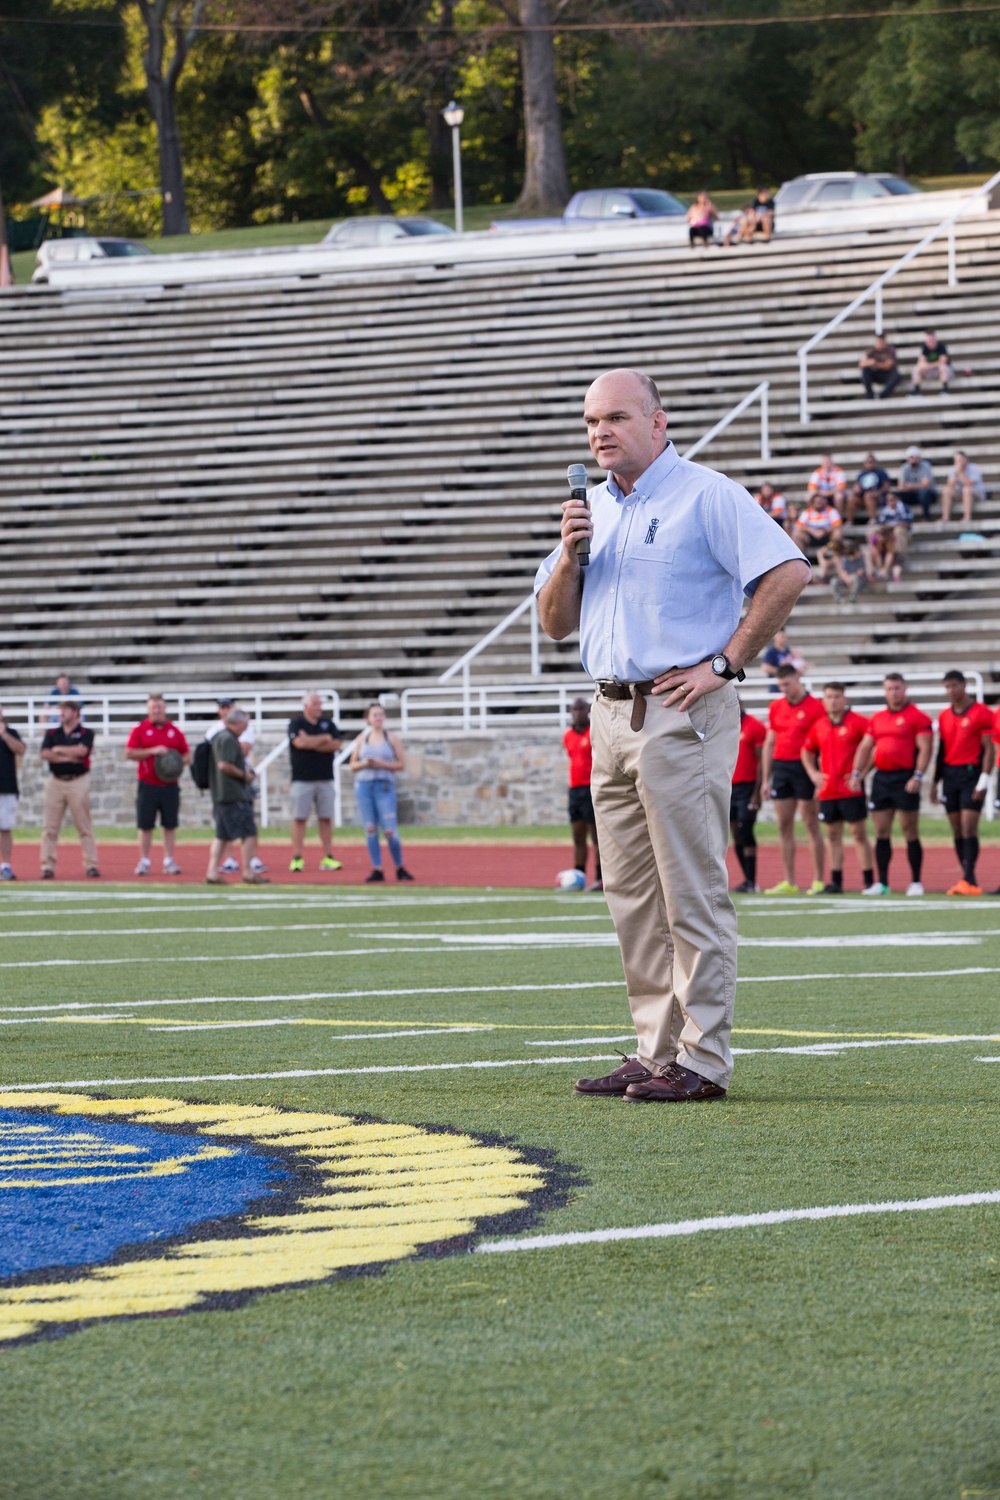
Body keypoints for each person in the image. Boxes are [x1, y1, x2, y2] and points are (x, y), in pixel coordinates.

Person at [536, 366, 809, 1104]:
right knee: (630, 896)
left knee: (690, 892)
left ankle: (704, 1059)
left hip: (679, 708)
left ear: (658, 423)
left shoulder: (706, 494)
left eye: (618, 418)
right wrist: (569, 555)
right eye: (593, 421)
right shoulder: (587, 509)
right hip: (610, 713)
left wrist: (726, 662)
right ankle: (654, 1050)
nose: (601, 432)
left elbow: (787, 570)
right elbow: (554, 623)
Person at [849, 673, 932, 895]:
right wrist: (857, 772)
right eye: (889, 689)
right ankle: (883, 883)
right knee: (882, 831)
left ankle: (916, 882)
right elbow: (865, 747)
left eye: (897, 688)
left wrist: (918, 775)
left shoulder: (918, 717)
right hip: (882, 779)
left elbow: (925, 748)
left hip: (905, 778)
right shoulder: (877, 718)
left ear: (904, 689)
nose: (893, 692)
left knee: (909, 830)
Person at [801, 683, 874, 894]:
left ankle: (869, 881)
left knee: (858, 834)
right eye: (829, 697)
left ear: (844, 698)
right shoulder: (819, 725)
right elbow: (806, 751)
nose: (833, 701)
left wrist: (861, 773)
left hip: (851, 789)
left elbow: (873, 749)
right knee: (833, 836)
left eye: (837, 696)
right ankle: (836, 881)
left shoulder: (859, 722)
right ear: (823, 700)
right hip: (828, 790)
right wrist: (813, 773)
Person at [761, 663, 826, 895]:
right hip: (782, 767)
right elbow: (770, 743)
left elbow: (823, 744)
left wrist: (819, 775)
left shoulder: (816, 706)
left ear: (798, 679)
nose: (784, 689)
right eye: (781, 686)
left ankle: (818, 879)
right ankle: (789, 880)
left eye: (787, 684)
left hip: (805, 769)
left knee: (810, 824)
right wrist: (766, 779)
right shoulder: (776, 706)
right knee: (783, 826)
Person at [931, 670, 995, 896]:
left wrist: (984, 779)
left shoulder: (982, 713)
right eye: (947, 687)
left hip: (971, 773)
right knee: (957, 828)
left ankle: (968, 877)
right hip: (950, 775)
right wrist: (934, 782)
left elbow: (989, 748)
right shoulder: (944, 715)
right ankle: (969, 878)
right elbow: (941, 751)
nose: (951, 691)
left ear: (964, 685)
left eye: (954, 686)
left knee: (969, 826)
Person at [125, 693, 191, 876]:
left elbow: (186, 755)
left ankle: (169, 859)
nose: (156, 711)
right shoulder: (140, 730)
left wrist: (175, 764)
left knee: (169, 824)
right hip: (148, 783)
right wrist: (151, 751)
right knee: (145, 824)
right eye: (153, 708)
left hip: (169, 784)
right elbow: (129, 753)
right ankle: (144, 860)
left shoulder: (174, 731)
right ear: (148, 710)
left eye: (159, 707)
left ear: (165, 709)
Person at [349, 703, 414, 884]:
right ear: (368, 718)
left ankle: (399, 866)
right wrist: (365, 764)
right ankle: (377, 868)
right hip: (365, 787)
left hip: (384, 786)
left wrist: (382, 764)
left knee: (390, 830)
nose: (378, 718)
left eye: (381, 715)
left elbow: (401, 764)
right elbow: (353, 765)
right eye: (374, 715)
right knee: (370, 828)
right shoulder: (362, 739)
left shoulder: (391, 738)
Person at [205, 709, 269, 885]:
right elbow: (224, 765)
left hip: (221, 794)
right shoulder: (228, 739)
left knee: (222, 835)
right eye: (246, 723)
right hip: (232, 794)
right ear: (239, 722)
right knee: (249, 832)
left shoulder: (220, 737)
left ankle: (211, 872)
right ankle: (248, 872)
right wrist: (244, 775)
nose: (247, 726)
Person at [40, 700, 99, 879]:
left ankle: (91, 864)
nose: (62, 713)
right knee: (50, 827)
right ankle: (47, 866)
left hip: (77, 781)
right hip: (56, 781)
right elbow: (45, 753)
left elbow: (82, 751)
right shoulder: (53, 732)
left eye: (65, 709)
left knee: (84, 825)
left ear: (75, 713)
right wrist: (66, 756)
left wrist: (58, 750)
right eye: (61, 709)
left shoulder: (85, 732)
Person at [287, 692, 343, 873]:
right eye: (316, 704)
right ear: (306, 706)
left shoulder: (329, 724)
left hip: (325, 778)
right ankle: (297, 857)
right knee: (299, 818)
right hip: (302, 779)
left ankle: (328, 856)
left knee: (326, 818)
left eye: (320, 704)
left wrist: (311, 742)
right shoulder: (296, 723)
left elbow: (336, 745)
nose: (320, 707)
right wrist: (323, 739)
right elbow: (299, 743)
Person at [563, 697, 601, 891]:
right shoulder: (568, 735)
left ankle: (601, 877)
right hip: (575, 789)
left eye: (581, 709)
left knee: (596, 836)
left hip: (590, 788)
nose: (577, 712)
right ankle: (579, 876)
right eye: (574, 709)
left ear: (588, 710)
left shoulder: (593, 732)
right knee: (578, 836)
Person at [730, 704, 766, 892]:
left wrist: (757, 792)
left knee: (745, 829)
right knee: (735, 831)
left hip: (748, 786)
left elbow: (762, 761)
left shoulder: (755, 726)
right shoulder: (723, 724)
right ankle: (747, 880)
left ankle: (752, 880)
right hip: (728, 786)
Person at [0, 702, 26, 881]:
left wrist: (4, 734)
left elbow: (21, 749)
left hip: (6, 786)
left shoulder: (11, 732)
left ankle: (6, 865)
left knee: (5, 827)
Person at [869, 494, 913, 582]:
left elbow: (906, 524)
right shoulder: (885, 510)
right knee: (871, 533)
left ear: (897, 499)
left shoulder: (904, 508)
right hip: (888, 535)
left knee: (898, 531)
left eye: (892, 499)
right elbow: (882, 525)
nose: (890, 502)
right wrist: (890, 527)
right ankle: (876, 561)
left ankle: (899, 556)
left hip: (904, 533)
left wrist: (891, 526)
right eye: (888, 500)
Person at [941, 451, 987, 526]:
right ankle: (945, 517)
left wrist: (961, 473)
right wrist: (956, 474)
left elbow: (969, 484)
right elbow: (950, 485)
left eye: (960, 460)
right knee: (946, 491)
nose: (959, 463)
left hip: (976, 493)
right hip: (961, 493)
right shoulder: (953, 469)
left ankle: (967, 517)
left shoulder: (973, 467)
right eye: (957, 461)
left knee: (966, 489)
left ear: (966, 459)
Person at [846, 453, 892, 524]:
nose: (869, 464)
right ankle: (849, 521)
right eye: (867, 462)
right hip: (863, 497)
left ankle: (873, 519)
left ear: (875, 463)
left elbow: (886, 486)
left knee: (868, 495)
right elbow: (856, 486)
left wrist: (878, 492)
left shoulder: (881, 472)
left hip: (877, 497)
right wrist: (856, 490)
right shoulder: (861, 474)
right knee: (851, 497)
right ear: (864, 464)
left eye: (871, 462)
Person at [896, 446, 937, 520]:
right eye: (911, 457)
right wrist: (919, 486)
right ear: (908, 458)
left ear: (919, 458)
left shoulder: (925, 466)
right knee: (898, 495)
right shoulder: (904, 467)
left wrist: (910, 486)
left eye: (915, 457)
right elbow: (900, 487)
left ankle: (926, 517)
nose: (913, 459)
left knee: (923, 492)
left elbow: (927, 485)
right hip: (913, 494)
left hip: (928, 495)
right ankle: (901, 517)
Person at [858, 335, 901, 400]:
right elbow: (861, 364)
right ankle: (869, 394)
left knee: (896, 375)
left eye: (881, 342)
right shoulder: (871, 351)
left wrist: (876, 364)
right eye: (878, 341)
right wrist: (870, 363)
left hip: (887, 374)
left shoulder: (890, 350)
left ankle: (883, 394)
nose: (879, 343)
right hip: (876, 374)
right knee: (865, 371)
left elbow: (888, 366)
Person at [910, 330, 952, 395]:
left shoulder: (941, 346)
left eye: (932, 340)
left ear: (935, 339)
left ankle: (945, 390)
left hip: (942, 371)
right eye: (928, 341)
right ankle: (916, 390)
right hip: (930, 371)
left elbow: (943, 361)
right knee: (916, 368)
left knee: (943, 367)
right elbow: (920, 362)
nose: (930, 343)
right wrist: (924, 364)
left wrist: (930, 365)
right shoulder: (924, 347)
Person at [830, 538, 871, 602]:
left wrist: (851, 577)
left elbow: (860, 572)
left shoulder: (860, 559)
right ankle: (839, 598)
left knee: (855, 579)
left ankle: (853, 598)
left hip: (858, 581)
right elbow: (843, 571)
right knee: (834, 581)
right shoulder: (845, 559)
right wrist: (847, 578)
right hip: (847, 579)